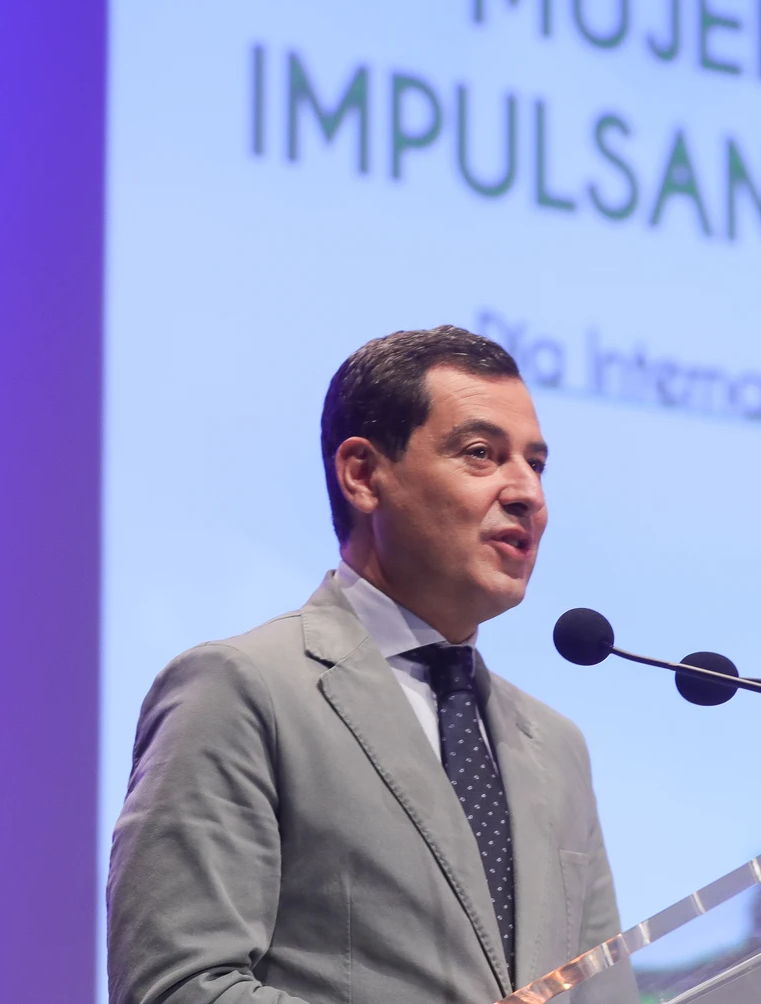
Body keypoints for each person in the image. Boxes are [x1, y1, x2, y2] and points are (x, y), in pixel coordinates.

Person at [108, 327, 622, 1004]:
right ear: (361, 474)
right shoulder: (242, 689)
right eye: (480, 454)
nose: (528, 492)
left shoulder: (557, 747)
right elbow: (177, 987)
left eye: (536, 463)